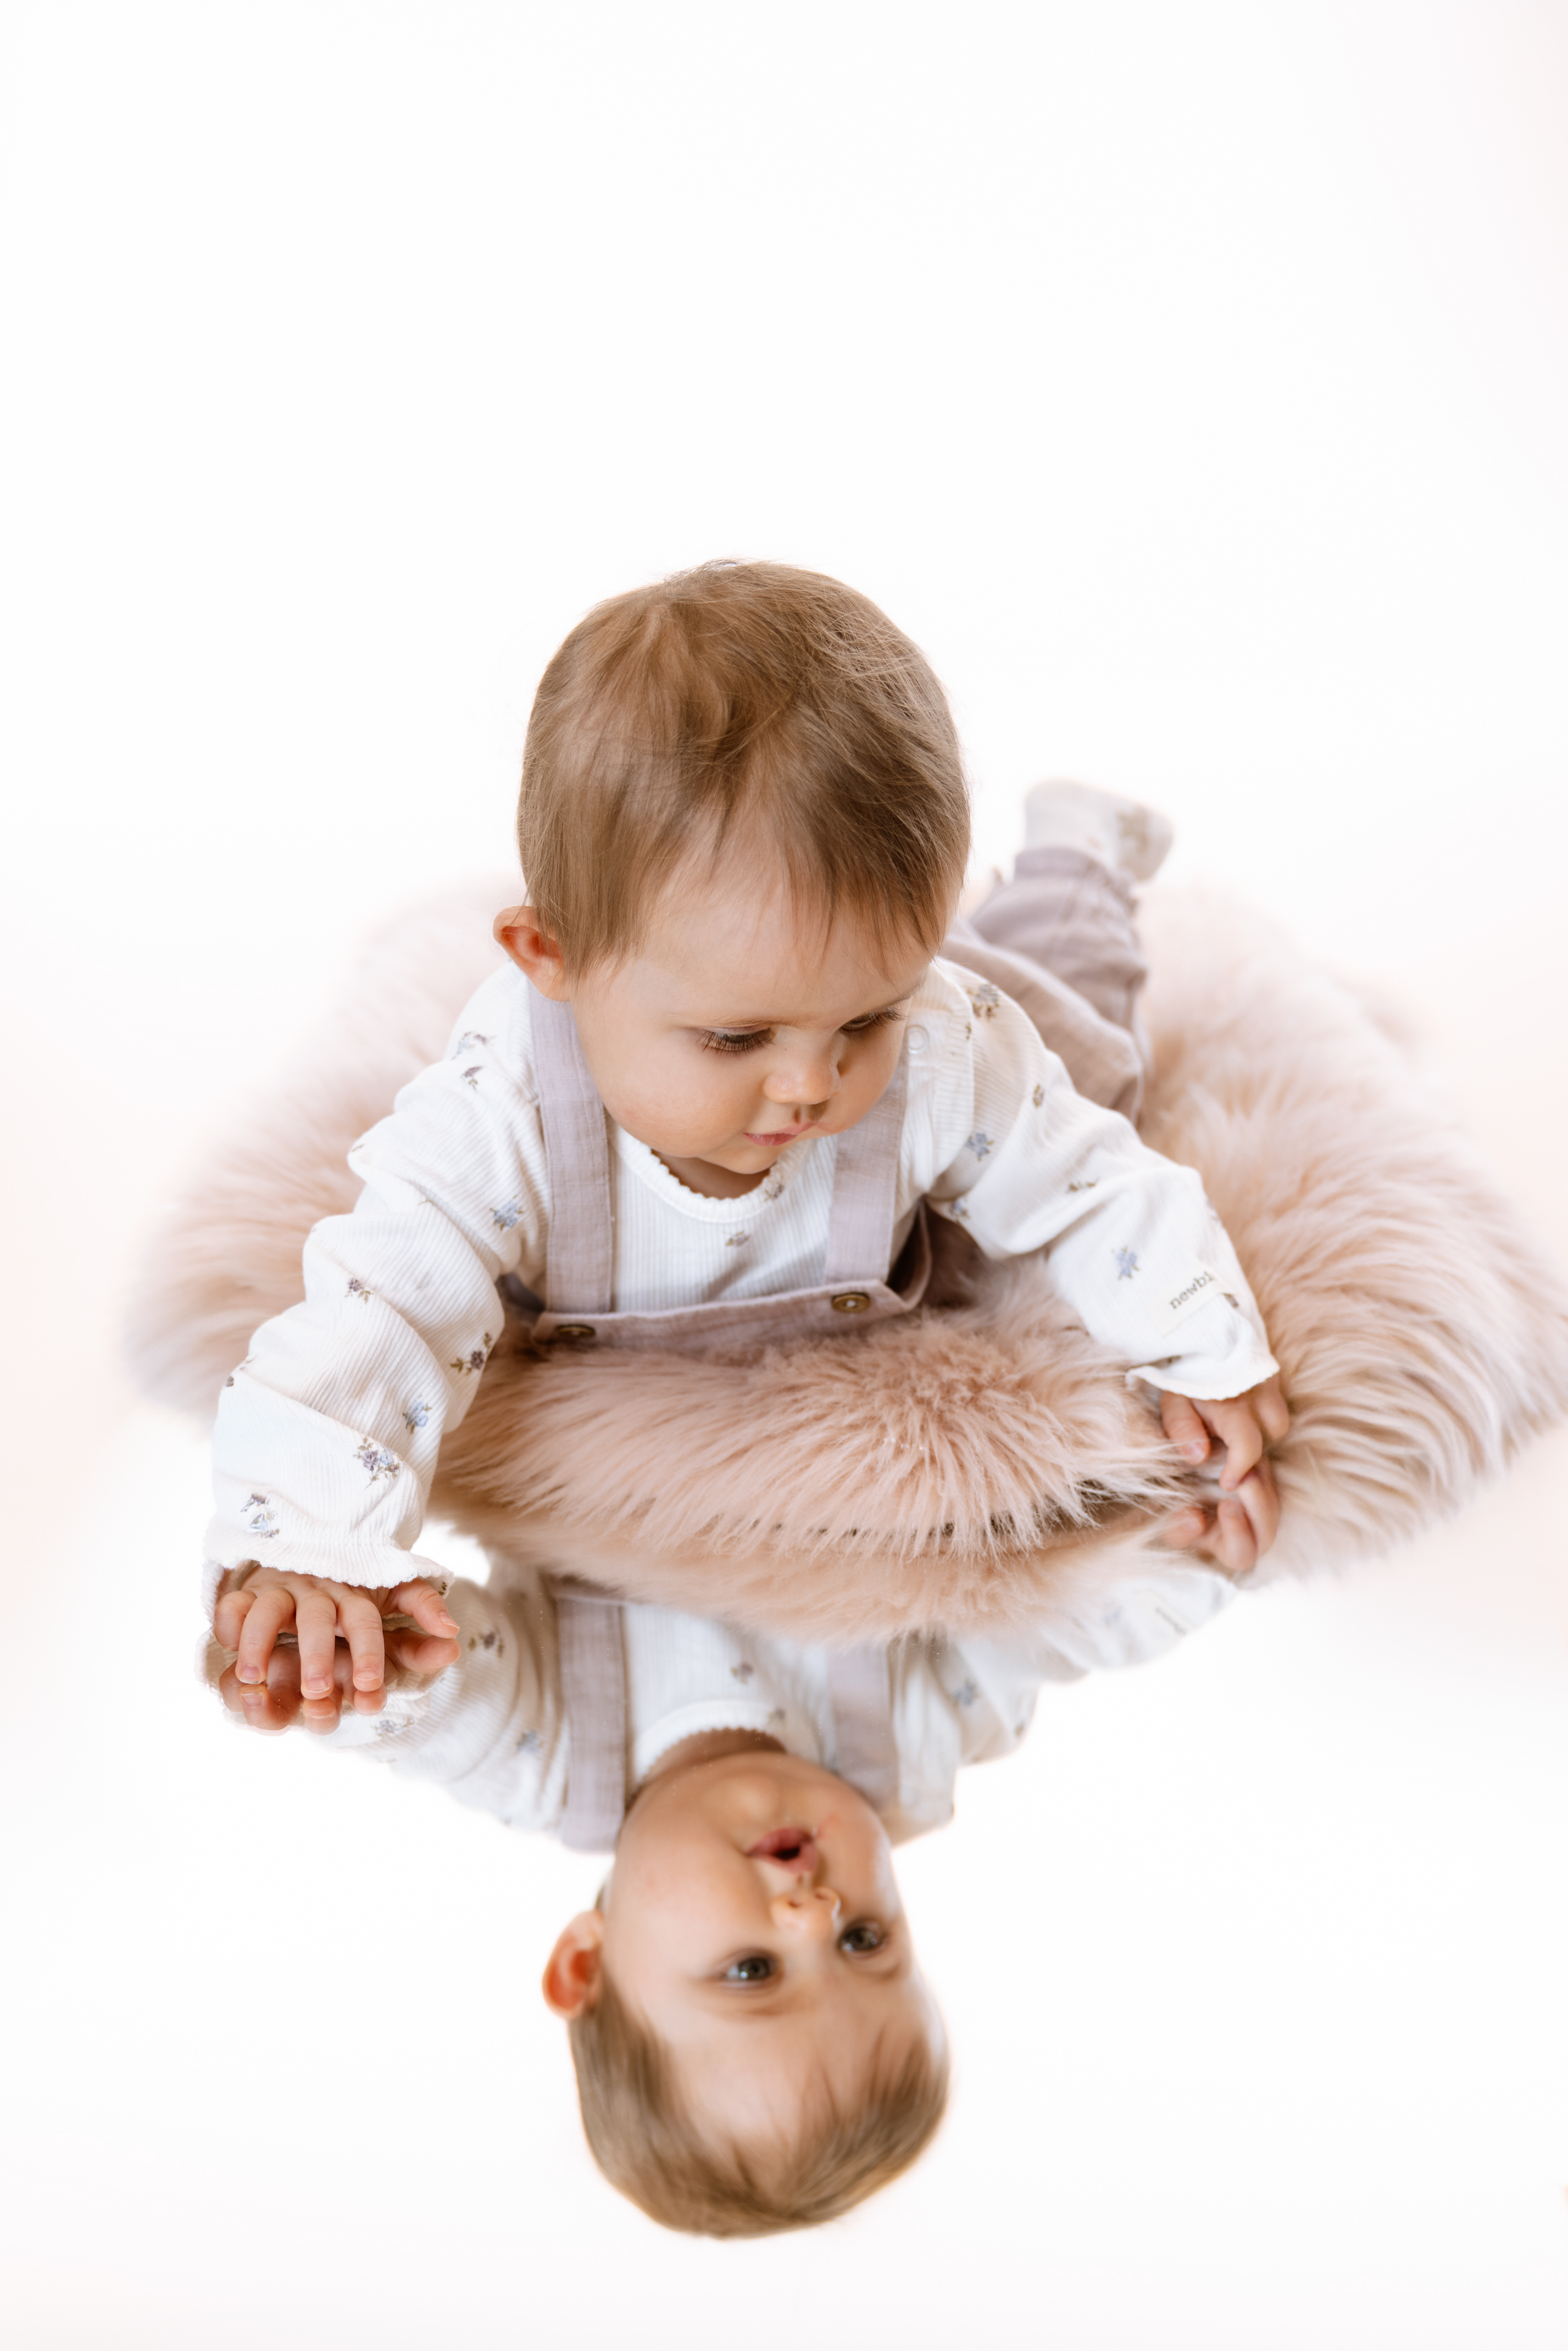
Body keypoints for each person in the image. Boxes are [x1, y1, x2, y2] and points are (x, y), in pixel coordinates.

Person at [211, 1539, 1239, 2236]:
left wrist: (342, 1650)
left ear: (587, 1964)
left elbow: (433, 1696)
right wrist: (1191, 1551)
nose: (816, 1911)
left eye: (752, 1970)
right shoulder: (907, 1752)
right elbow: (1063, 1622)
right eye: (867, 1941)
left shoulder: (542, 1754)